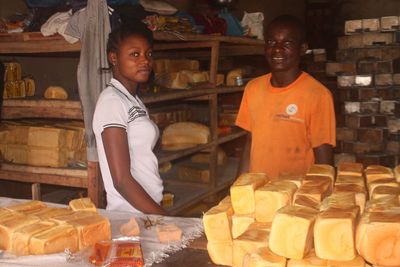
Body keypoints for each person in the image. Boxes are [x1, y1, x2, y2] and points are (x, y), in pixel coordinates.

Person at [235, 14, 336, 179]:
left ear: (302, 48)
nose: (277, 49)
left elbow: (324, 157)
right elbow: (250, 143)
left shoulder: (318, 95)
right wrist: (238, 186)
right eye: (271, 42)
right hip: (259, 193)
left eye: (287, 43)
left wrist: (318, 196)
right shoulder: (253, 88)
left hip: (295, 196)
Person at [93, 22, 166, 215]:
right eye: (135, 54)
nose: (145, 61)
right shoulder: (111, 101)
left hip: (146, 210)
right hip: (129, 214)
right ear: (114, 57)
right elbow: (121, 180)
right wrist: (163, 218)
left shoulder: (134, 101)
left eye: (148, 54)